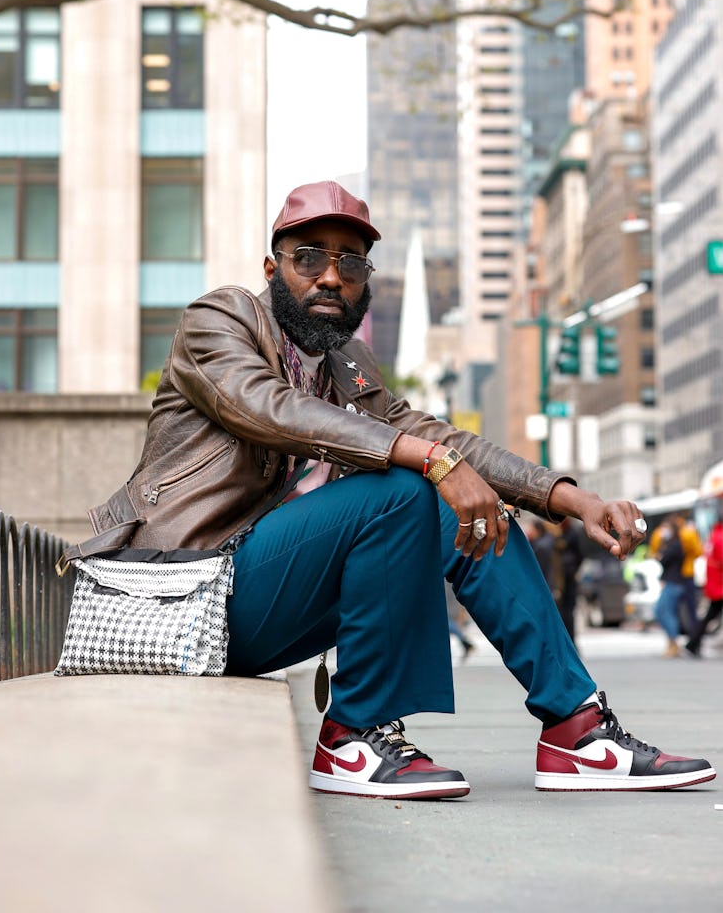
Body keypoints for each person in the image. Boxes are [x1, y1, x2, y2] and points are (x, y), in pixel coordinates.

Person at [86, 181, 715, 798]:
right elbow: (268, 409)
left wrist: (576, 500)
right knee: (406, 488)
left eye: (350, 262)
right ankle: (352, 734)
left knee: (456, 509)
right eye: (309, 257)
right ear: (272, 269)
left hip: (255, 602)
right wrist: (432, 463)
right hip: (183, 596)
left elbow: (443, 438)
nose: (330, 276)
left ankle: (577, 730)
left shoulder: (348, 368)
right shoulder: (220, 319)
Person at [686, 516, 723, 657]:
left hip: (714, 583)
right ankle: (692, 644)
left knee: (709, 615)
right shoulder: (721, 537)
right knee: (710, 615)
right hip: (720, 584)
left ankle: (692, 644)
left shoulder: (714, 535)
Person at [652, 518, 686, 657]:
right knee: (665, 612)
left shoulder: (675, 545)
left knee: (663, 611)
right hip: (670, 582)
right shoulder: (669, 544)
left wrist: (660, 556)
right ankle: (672, 642)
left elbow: (663, 559)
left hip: (673, 583)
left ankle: (674, 642)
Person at [551, 517, 584, 643]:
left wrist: (574, 569)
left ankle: (571, 642)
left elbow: (579, 554)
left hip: (568, 578)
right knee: (560, 613)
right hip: (557, 579)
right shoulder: (554, 535)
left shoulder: (571, 533)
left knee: (568, 613)